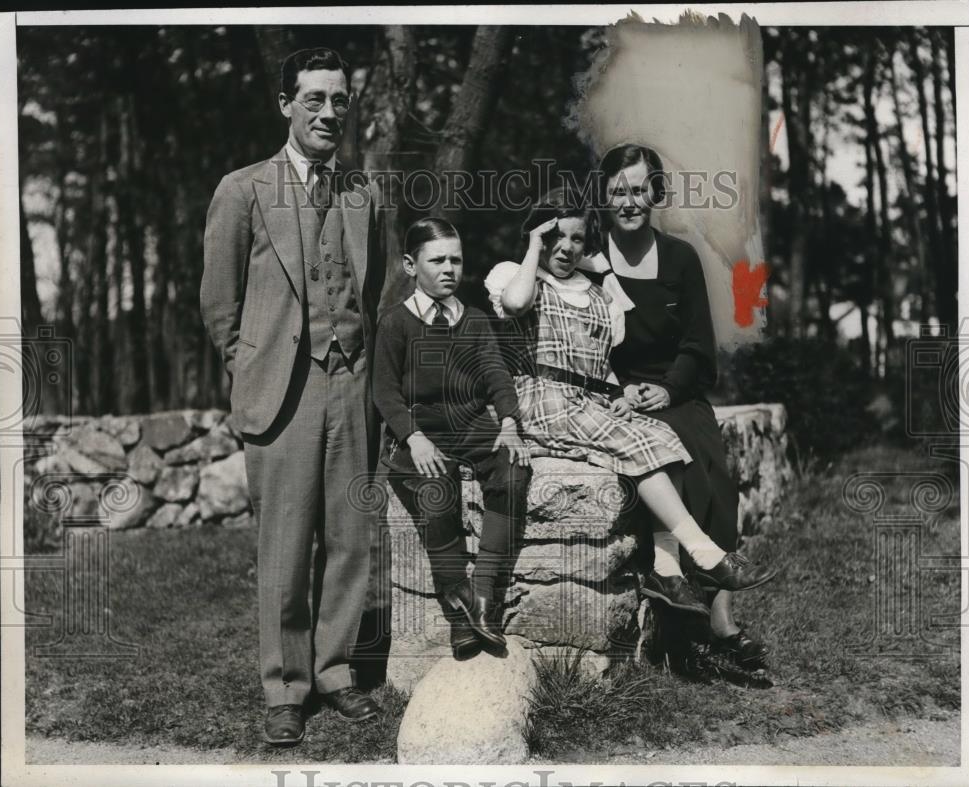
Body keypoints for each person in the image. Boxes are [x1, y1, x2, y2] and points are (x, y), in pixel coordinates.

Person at [200, 47, 387, 745]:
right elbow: (220, 306)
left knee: (349, 539)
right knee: (284, 545)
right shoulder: (243, 189)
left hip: (352, 384)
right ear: (286, 104)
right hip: (280, 388)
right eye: (314, 99)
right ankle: (284, 685)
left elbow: (370, 293)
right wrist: (249, 369)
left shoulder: (363, 194)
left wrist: (360, 371)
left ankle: (336, 671)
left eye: (339, 100)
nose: (329, 113)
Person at [484, 188, 776, 619]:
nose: (566, 248)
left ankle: (666, 569)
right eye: (556, 236)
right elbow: (514, 303)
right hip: (543, 398)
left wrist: (620, 394)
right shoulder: (517, 274)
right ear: (540, 235)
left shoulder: (599, 292)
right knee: (639, 446)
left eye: (578, 239)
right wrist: (532, 245)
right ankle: (707, 555)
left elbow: (602, 364)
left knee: (661, 433)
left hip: (588, 399)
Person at [586, 142, 771, 670]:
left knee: (708, 463)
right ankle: (678, 609)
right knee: (662, 452)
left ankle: (719, 620)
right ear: (603, 196)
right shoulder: (590, 258)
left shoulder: (680, 257)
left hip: (675, 390)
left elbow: (697, 344)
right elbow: (577, 338)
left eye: (639, 189)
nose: (629, 201)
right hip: (614, 395)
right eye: (617, 191)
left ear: (656, 194)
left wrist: (667, 389)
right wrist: (617, 390)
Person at [373, 218, 531, 659]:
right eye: (437, 260)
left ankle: (482, 591)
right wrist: (413, 438)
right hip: (419, 431)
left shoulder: (475, 320)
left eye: (456, 260)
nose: (449, 269)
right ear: (410, 265)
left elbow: (497, 375)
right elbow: (383, 391)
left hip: (470, 424)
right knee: (437, 487)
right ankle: (457, 609)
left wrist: (508, 422)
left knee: (514, 466)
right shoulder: (396, 323)